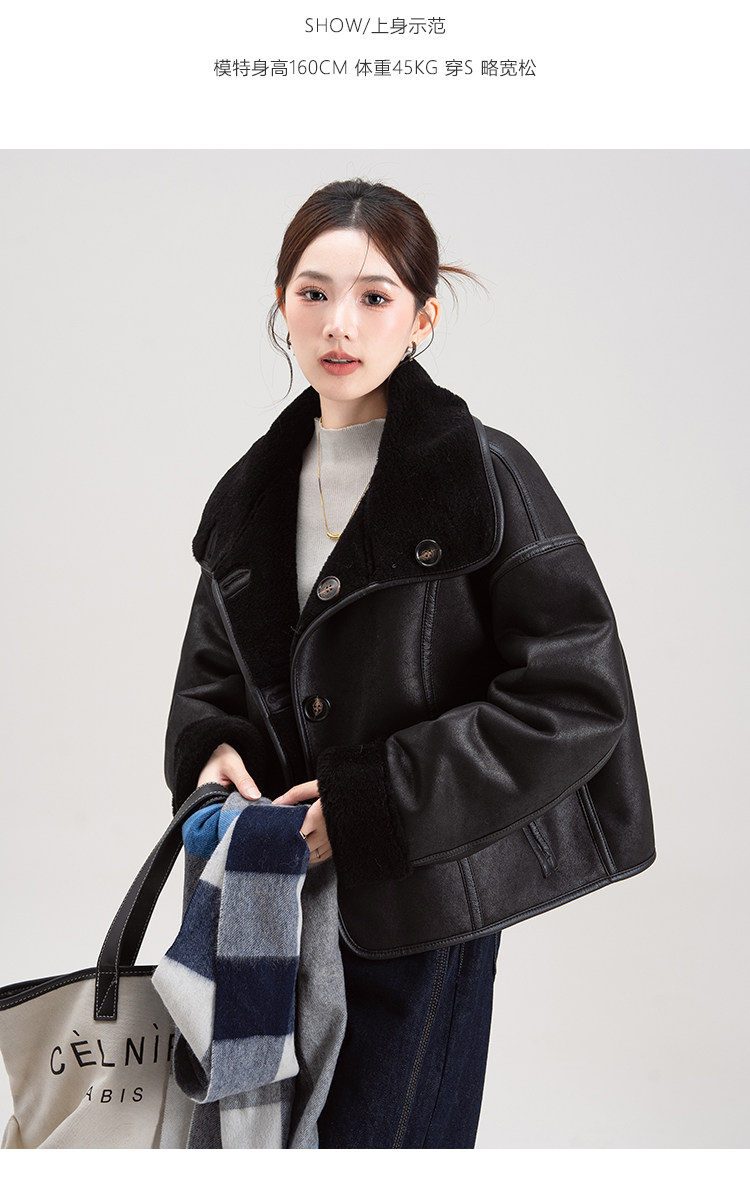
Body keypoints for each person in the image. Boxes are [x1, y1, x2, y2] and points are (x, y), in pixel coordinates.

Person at [164, 178, 655, 1148]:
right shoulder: (250, 493)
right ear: (281, 304)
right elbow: (211, 673)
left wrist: (365, 807)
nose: (339, 323)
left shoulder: (482, 476)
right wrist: (211, 749)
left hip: (419, 900)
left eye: (375, 296)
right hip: (260, 893)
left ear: (423, 318)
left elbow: (575, 697)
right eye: (313, 293)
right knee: (252, 1147)